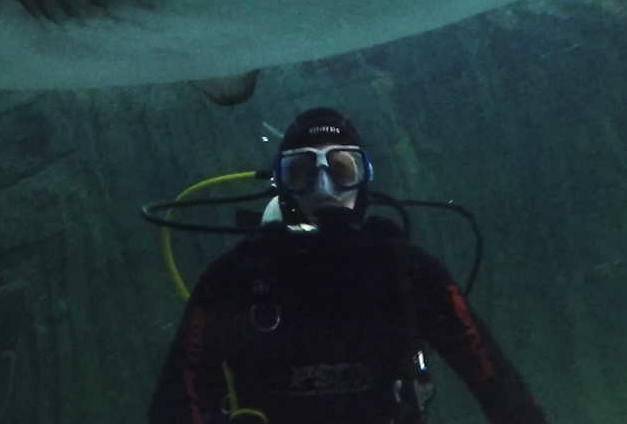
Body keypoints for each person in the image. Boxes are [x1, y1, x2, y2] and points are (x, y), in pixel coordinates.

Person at [148, 107, 548, 424]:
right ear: (282, 186)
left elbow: (497, 382)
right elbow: (176, 400)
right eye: (302, 173)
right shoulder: (235, 281)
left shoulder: (408, 272)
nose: (323, 188)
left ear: (364, 179)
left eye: (341, 171)